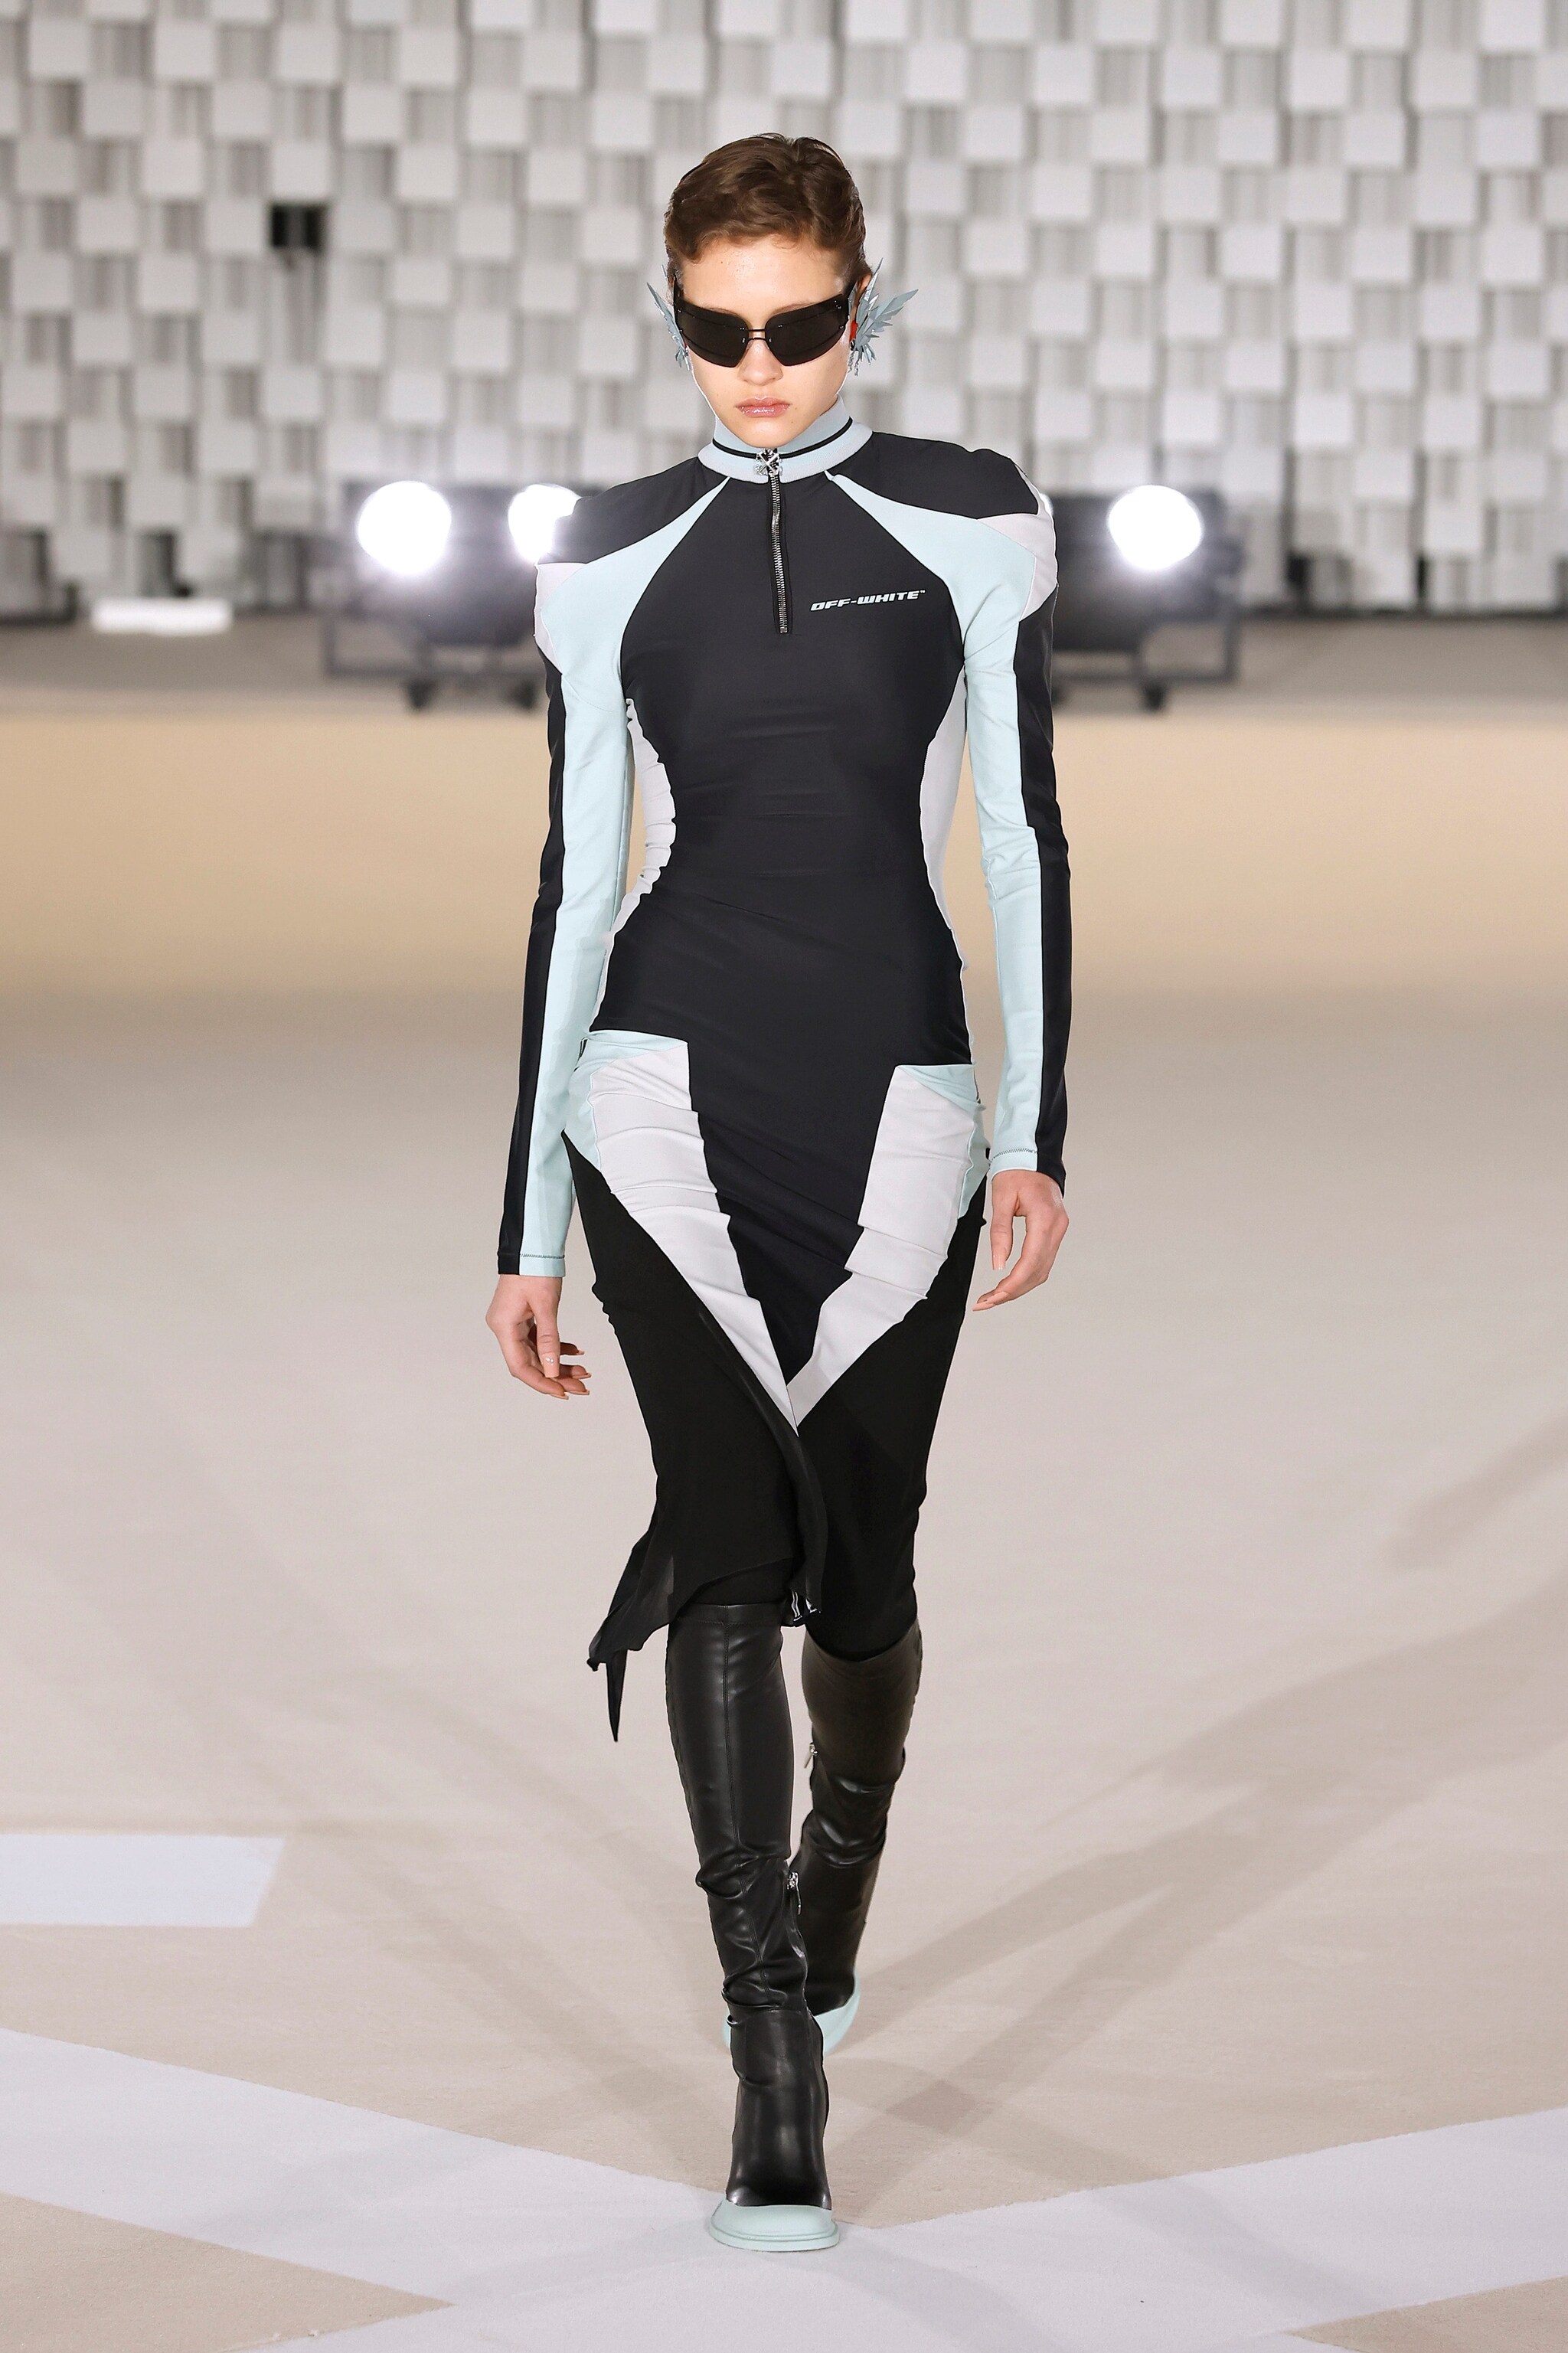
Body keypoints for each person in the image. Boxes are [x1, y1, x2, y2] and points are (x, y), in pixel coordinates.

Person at [486, 133, 1070, 2253]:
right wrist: (527, 1224)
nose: (758, 364)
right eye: (718, 328)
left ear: (863, 306)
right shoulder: (603, 553)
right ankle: (773, 2054)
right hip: (655, 1087)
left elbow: (1019, 836)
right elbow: (577, 884)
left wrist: (1036, 1130)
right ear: (672, 317)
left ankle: (841, 1873)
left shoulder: (969, 518)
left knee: (868, 1561)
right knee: (723, 1540)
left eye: (800, 324)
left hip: (901, 1094)